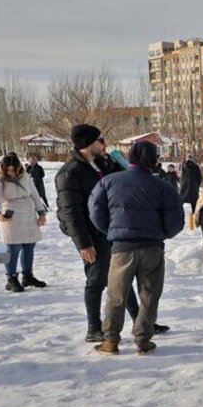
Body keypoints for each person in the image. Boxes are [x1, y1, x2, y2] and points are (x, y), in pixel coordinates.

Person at [87, 141, 184, 355]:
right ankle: (143, 339)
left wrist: (112, 230)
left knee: (116, 294)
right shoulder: (163, 187)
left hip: (122, 247)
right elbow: (176, 221)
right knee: (149, 295)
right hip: (152, 247)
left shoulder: (109, 182)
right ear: (154, 160)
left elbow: (95, 211)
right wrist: (163, 233)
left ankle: (110, 340)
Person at [55, 124, 149, 342]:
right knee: (96, 279)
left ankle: (140, 321)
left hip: (111, 230)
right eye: (101, 140)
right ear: (88, 143)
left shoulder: (101, 164)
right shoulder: (70, 172)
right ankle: (94, 328)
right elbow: (70, 212)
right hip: (91, 235)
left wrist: (120, 164)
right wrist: (83, 243)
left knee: (122, 276)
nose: (105, 144)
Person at [0, 153, 49, 292]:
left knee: (29, 245)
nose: (12, 173)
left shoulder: (24, 175)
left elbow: (34, 193)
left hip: (28, 213)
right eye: (9, 170)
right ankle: (11, 278)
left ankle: (27, 275)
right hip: (10, 214)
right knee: (13, 248)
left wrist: (41, 212)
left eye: (14, 169)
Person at [179, 154, 202, 229]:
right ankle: (193, 224)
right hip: (193, 189)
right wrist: (197, 185)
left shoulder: (183, 166)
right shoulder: (196, 167)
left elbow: (180, 176)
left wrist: (182, 184)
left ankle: (179, 222)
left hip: (184, 188)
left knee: (180, 205)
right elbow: (199, 177)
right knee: (194, 207)